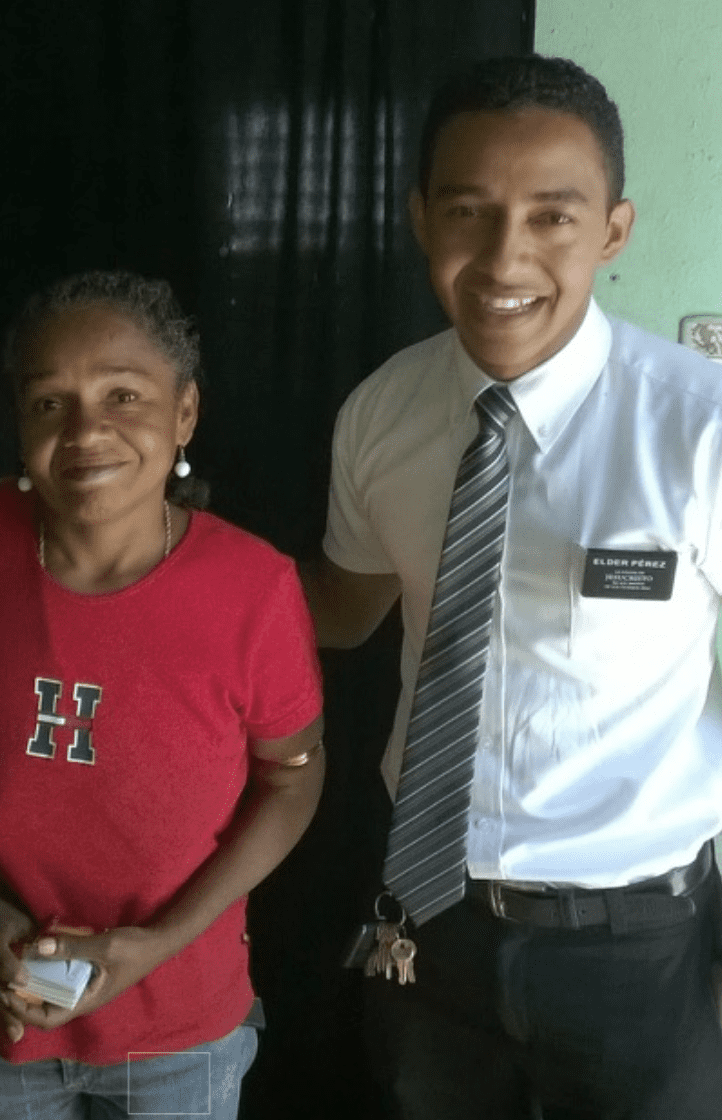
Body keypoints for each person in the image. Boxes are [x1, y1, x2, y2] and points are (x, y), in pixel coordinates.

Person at [304, 55, 722, 1119]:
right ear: (417, 219)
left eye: (550, 217)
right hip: (423, 924)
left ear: (612, 233)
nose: (503, 256)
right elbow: (338, 614)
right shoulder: (380, 414)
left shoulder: (697, 428)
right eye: (468, 212)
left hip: (635, 944)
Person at [0, 269, 324, 1120]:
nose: (87, 429)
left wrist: (153, 945)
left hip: (177, 1029)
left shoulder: (254, 587)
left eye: (123, 394)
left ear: (184, 413)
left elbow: (295, 779)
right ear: (19, 424)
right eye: (51, 403)